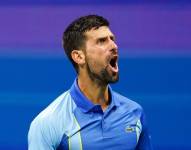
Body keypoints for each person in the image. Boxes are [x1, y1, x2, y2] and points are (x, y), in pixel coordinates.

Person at [28, 14, 152, 150]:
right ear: (79, 57)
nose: (114, 46)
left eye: (112, 39)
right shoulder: (48, 123)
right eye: (102, 41)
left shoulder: (135, 113)